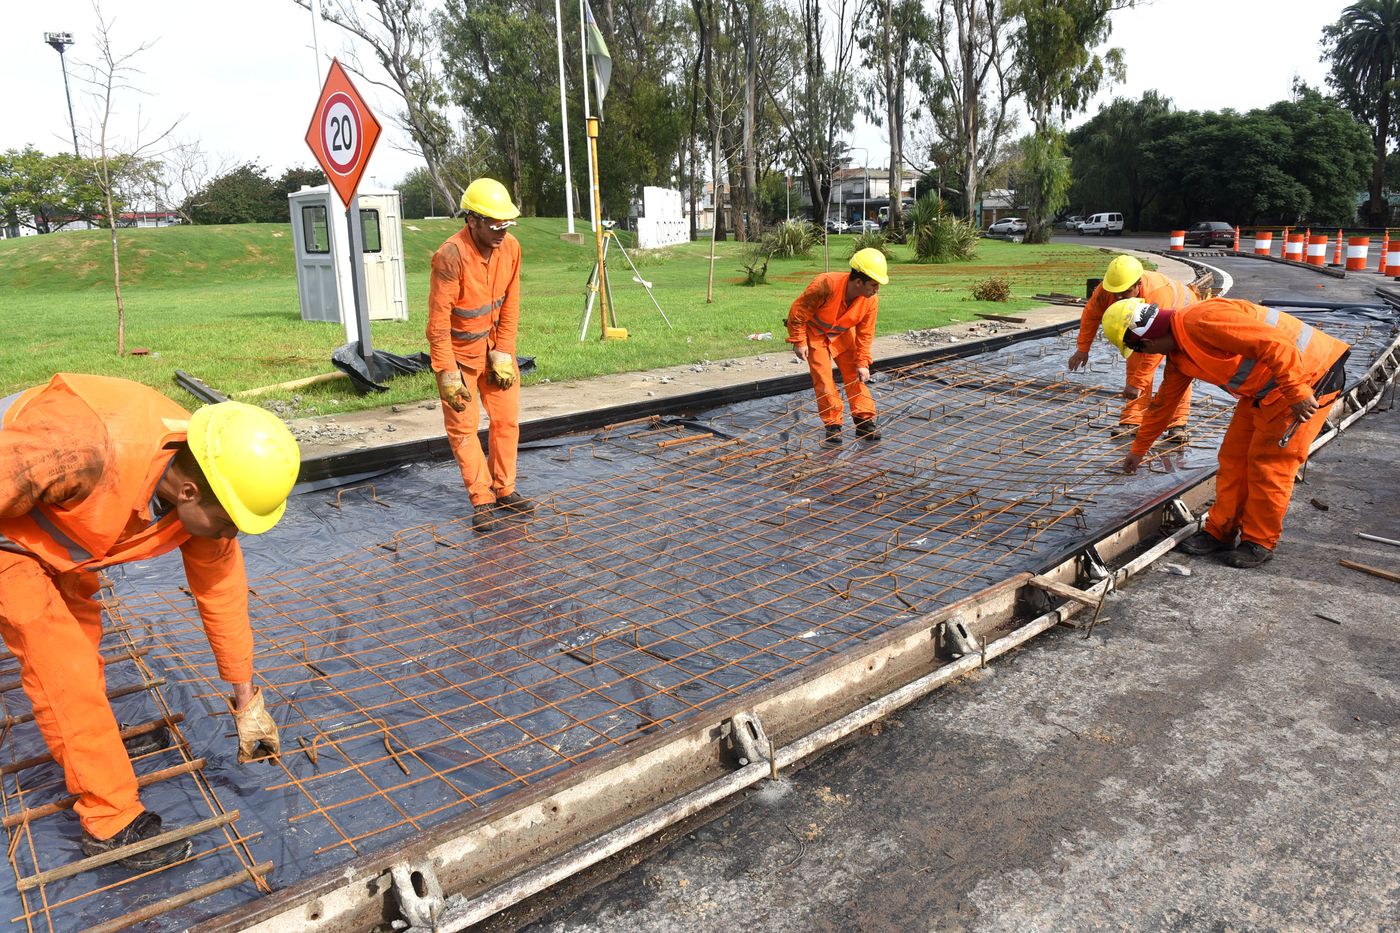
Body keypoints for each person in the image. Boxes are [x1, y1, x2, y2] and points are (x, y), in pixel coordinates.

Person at [0, 374, 299, 869]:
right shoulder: (79, 447)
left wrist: (247, 701)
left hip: (61, 537)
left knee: (83, 647)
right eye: (228, 522)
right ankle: (110, 819)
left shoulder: (207, 476)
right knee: (62, 666)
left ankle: (92, 747)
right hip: (8, 534)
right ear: (187, 492)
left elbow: (222, 594)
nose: (229, 535)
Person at [1101, 297, 1350, 568]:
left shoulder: (1203, 320)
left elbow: (1276, 345)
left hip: (1309, 378)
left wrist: (1297, 392)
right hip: (1266, 389)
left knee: (1268, 466)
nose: (1148, 357)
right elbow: (1163, 405)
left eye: (1142, 351)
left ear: (1146, 342)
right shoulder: (1179, 353)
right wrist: (1138, 449)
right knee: (1233, 458)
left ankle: (1259, 542)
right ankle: (1220, 531)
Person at [428, 177, 532, 533]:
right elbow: (438, 323)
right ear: (471, 220)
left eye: (507, 223)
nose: (502, 231)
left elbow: (512, 305)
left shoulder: (512, 249)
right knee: (464, 429)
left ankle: (505, 489)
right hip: (459, 358)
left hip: (493, 350)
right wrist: (446, 372)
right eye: (494, 224)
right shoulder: (450, 256)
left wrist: (504, 351)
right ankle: (482, 499)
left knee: (507, 421)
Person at [1069, 255, 1200, 439]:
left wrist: (1137, 384)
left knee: (1179, 369)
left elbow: (1154, 351)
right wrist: (1083, 348)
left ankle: (1177, 424)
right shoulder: (1108, 289)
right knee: (1136, 360)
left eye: (1126, 292)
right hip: (1155, 317)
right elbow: (1091, 314)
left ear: (1139, 284)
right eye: (1116, 293)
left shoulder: (1157, 295)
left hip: (1184, 316)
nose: (1119, 297)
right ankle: (1132, 420)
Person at [786, 248, 890, 445]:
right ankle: (833, 425)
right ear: (858, 282)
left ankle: (864, 421)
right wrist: (799, 341)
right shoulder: (826, 284)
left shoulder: (870, 301)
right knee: (824, 380)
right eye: (874, 285)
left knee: (855, 374)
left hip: (841, 335)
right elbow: (798, 312)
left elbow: (865, 335)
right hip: (815, 335)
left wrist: (862, 363)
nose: (877, 290)